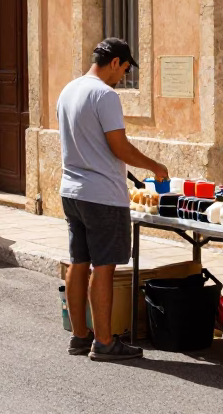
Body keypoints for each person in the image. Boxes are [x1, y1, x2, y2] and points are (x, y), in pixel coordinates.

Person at [58, 37, 168, 362]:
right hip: (102, 195)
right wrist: (154, 166)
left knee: (78, 262)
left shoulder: (69, 90)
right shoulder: (105, 95)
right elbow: (119, 147)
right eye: (125, 70)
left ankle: (80, 337)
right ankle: (104, 342)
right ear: (116, 62)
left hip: (71, 190)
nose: (122, 78)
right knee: (103, 266)